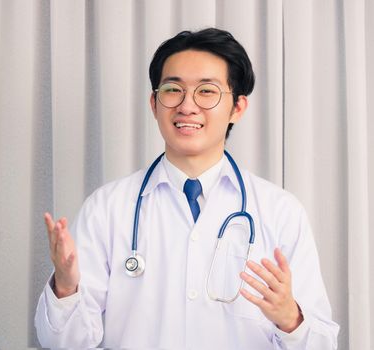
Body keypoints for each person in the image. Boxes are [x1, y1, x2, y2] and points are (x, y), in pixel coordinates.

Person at [34, 27, 339, 349]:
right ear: (154, 103)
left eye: (207, 91)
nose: (187, 106)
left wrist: (290, 318)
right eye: (172, 90)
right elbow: (64, 343)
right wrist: (66, 289)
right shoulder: (108, 207)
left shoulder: (280, 211)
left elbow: (322, 344)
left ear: (237, 107)